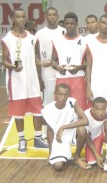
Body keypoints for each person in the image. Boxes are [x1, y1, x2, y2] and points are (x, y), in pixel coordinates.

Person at [1, 8, 48, 153]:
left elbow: (33, 58)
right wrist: (13, 66)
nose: (21, 20)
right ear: (13, 19)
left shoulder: (32, 38)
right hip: (16, 83)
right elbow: (4, 61)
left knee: (38, 111)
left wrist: (41, 63)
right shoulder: (7, 39)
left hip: (32, 81)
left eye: (23, 17)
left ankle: (38, 138)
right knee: (18, 113)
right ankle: (21, 139)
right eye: (18, 17)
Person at [42, 83, 89, 171]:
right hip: (58, 137)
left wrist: (63, 127)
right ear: (55, 94)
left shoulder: (72, 102)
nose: (63, 97)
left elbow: (85, 120)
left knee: (82, 130)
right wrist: (50, 154)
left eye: (65, 95)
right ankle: (56, 154)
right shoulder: (47, 109)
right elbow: (50, 132)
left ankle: (77, 157)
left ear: (69, 95)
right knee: (58, 166)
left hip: (71, 132)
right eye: (60, 94)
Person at [35, 7, 66, 138]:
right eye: (50, 15)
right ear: (45, 16)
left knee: (62, 103)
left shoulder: (64, 31)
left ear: (58, 16)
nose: (52, 17)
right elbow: (36, 56)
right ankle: (43, 133)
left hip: (61, 74)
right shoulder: (40, 34)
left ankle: (62, 130)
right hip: (46, 74)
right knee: (47, 106)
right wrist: (39, 79)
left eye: (54, 15)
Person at [51, 12, 87, 110]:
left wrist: (79, 68)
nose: (69, 26)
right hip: (62, 78)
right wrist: (58, 67)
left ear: (76, 24)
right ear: (64, 24)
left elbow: (88, 63)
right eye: (67, 23)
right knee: (61, 108)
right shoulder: (57, 40)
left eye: (72, 23)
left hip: (78, 78)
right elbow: (53, 61)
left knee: (79, 107)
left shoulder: (84, 41)